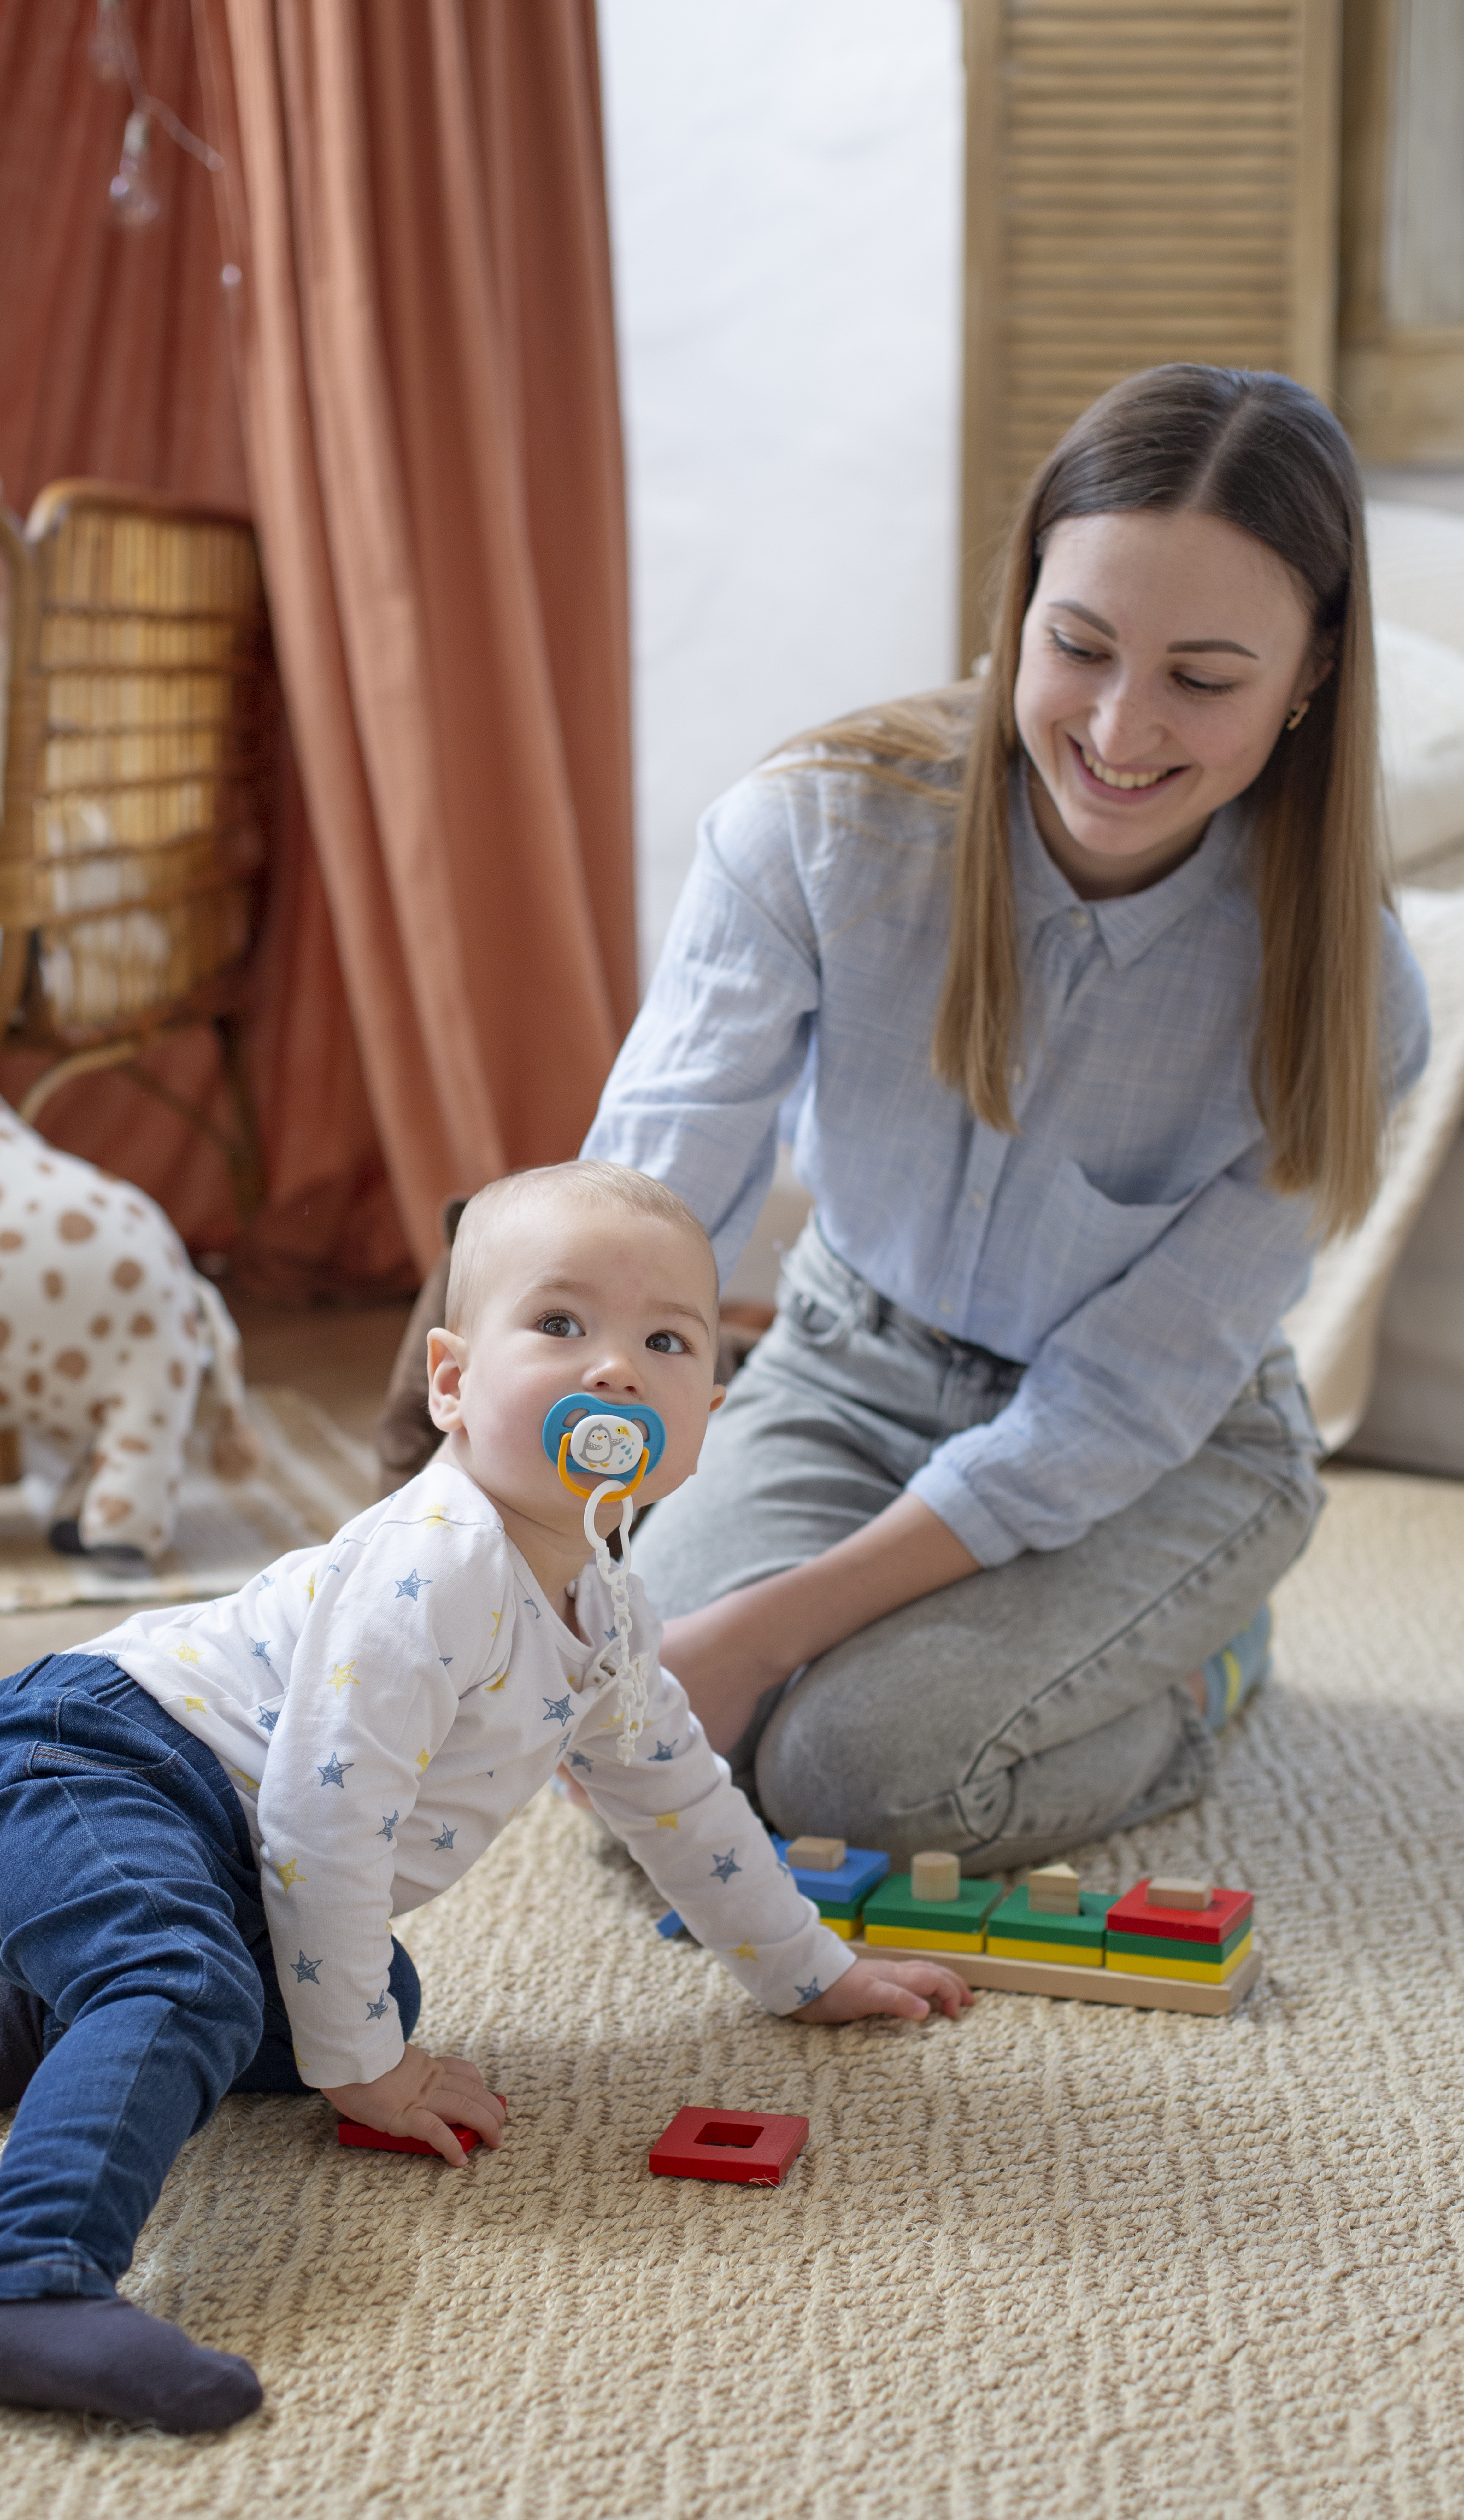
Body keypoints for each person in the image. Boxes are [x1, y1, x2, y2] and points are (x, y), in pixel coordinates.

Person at [0, 1161, 972, 2435]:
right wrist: (368, 2081)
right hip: (83, 1764)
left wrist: (807, 1972)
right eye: (560, 1326)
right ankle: (28, 2287)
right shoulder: (432, 1572)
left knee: (374, 2000)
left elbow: (684, 1801)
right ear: (451, 1381)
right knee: (212, 1993)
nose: (614, 1369)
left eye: (664, 1341)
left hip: (205, 1838)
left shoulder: (605, 1612)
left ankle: (34, 2005)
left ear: (704, 1417)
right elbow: (323, 1834)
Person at [583, 364, 1429, 1868]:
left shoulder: (1346, 997)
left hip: (1165, 1451)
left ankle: (1201, 1671)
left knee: (861, 1775)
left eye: (1205, 680)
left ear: (1309, 676)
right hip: (849, 1367)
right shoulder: (816, 830)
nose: (1118, 728)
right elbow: (646, 1213)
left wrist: (765, 1635)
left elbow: (1115, 1406)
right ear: (1021, 606)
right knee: (644, 1738)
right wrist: (548, 1505)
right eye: (1080, 645)